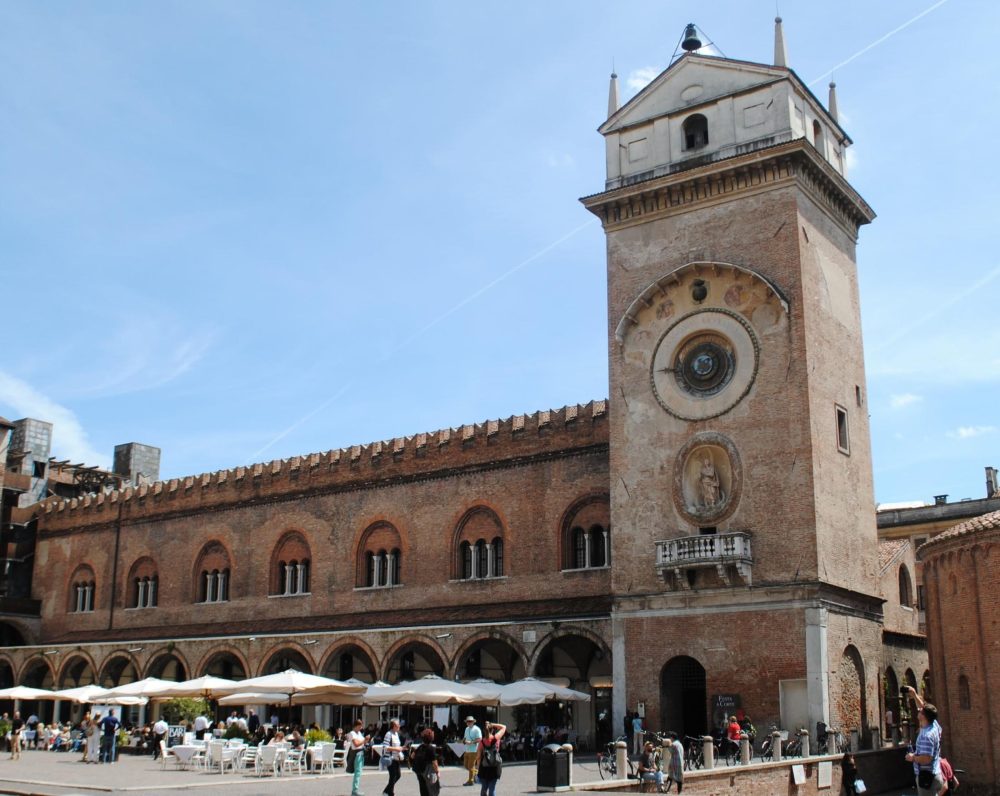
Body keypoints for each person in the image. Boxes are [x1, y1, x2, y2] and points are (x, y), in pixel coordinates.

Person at [905, 700, 943, 796]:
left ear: (924, 716)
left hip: (927, 777)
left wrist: (912, 757)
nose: (918, 711)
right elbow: (927, 709)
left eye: (920, 711)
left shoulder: (927, 736)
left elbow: (926, 759)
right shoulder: (934, 725)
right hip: (935, 774)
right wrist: (913, 695)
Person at [476, 721, 506, 796]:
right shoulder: (496, 738)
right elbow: (504, 727)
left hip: (484, 767)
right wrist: (492, 724)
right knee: (492, 789)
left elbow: (478, 757)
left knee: (484, 788)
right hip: (495, 767)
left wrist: (478, 768)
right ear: (492, 730)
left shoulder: (482, 742)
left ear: (484, 730)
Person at [409, 728, 439, 796]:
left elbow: (412, 756)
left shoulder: (420, 746)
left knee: (422, 788)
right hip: (427, 771)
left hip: (418, 770)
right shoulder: (431, 748)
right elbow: (435, 763)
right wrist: (437, 772)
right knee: (430, 789)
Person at [347, 718, 370, 796]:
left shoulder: (359, 733)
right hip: (356, 754)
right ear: (356, 726)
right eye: (360, 726)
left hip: (360, 753)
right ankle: (354, 790)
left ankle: (355, 790)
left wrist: (366, 740)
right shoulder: (352, 733)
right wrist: (364, 740)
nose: (361, 728)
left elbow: (361, 743)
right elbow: (356, 744)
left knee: (359, 772)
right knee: (357, 772)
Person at [382, 719, 404, 796]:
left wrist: (402, 748)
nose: (399, 726)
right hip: (390, 758)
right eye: (398, 725)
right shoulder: (388, 734)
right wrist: (397, 749)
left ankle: (386, 791)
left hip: (396, 758)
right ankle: (389, 793)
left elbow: (396, 745)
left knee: (398, 775)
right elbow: (385, 747)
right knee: (393, 776)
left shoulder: (396, 734)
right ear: (394, 726)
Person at [462, 716, 482, 786]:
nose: (469, 723)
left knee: (470, 766)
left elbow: (479, 739)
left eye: (470, 721)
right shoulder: (466, 729)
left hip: (474, 750)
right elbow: (464, 738)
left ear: (473, 722)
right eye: (468, 721)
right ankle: (476, 772)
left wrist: (471, 742)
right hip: (467, 750)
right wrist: (463, 741)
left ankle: (470, 781)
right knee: (465, 765)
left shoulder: (477, 729)